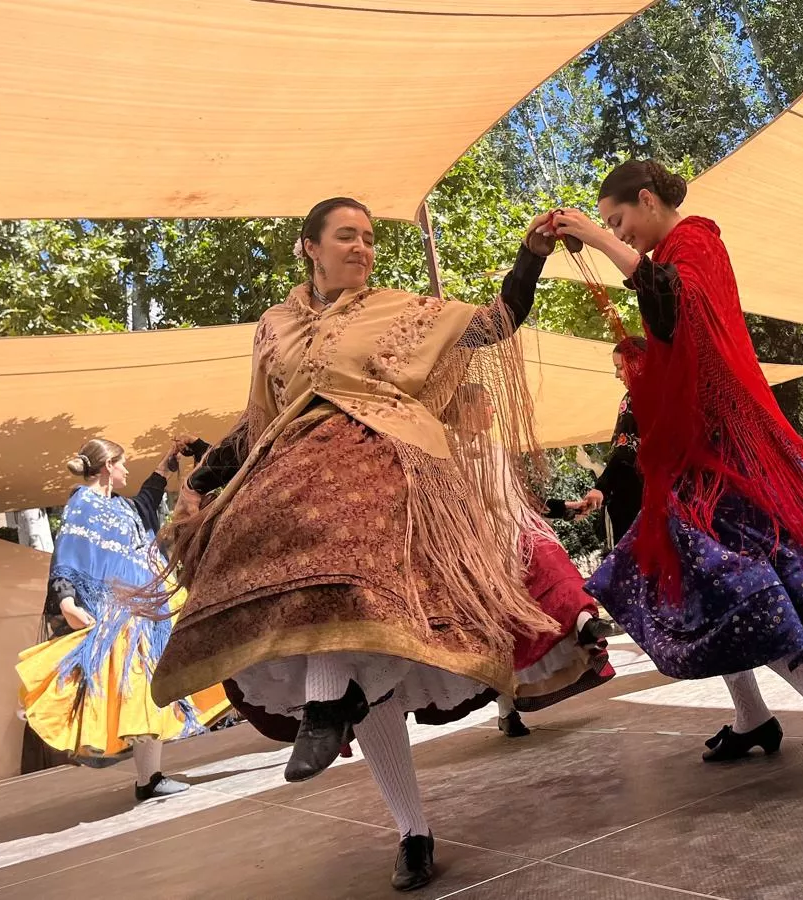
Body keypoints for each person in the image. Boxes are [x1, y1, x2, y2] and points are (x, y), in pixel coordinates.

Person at [149, 198, 564, 892]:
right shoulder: (274, 328)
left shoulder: (401, 309)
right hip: (293, 465)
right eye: (348, 236)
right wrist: (206, 483)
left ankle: (324, 705)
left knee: (336, 543)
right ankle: (411, 830)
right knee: (339, 639)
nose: (364, 248)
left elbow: (492, 324)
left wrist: (533, 256)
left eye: (370, 239)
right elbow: (258, 421)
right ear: (307, 247)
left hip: (386, 461)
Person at [554, 160, 803, 783]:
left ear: (646, 199)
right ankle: (756, 715)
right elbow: (668, 322)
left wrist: (595, 238)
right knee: (699, 586)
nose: (620, 232)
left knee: (716, 583)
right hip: (708, 451)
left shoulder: (695, 241)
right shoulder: (675, 250)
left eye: (620, 220)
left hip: (723, 452)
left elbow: (671, 303)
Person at [17, 437, 230, 802]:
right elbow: (68, 553)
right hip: (121, 614)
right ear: (106, 467)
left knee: (160, 680)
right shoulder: (81, 505)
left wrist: (167, 464)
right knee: (140, 688)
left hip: (149, 608)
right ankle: (149, 779)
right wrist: (67, 599)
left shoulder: (123, 508)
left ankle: (150, 778)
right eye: (122, 464)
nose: (127, 470)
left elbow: (146, 500)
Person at [444, 384, 616, 739]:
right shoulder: (445, 455)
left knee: (556, 567)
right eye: (486, 404)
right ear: (466, 411)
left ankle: (584, 623)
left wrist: (560, 510)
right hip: (484, 547)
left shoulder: (496, 449)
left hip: (521, 532)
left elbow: (517, 495)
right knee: (505, 630)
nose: (492, 410)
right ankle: (507, 708)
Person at [555, 337, 648, 547]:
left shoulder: (635, 398)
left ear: (638, 362)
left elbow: (624, 452)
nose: (617, 375)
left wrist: (601, 488)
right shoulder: (673, 394)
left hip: (633, 503)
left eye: (620, 367)